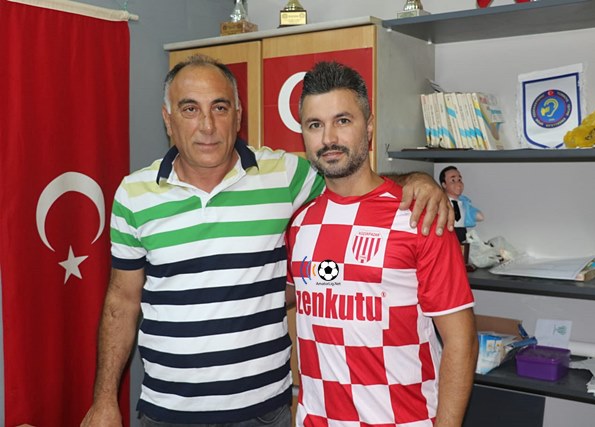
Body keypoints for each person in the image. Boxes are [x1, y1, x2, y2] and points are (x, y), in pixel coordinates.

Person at [81, 54, 454, 426]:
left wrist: (417, 182)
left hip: (264, 411)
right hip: (167, 410)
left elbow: (351, 177)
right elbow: (121, 302)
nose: (207, 125)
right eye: (190, 109)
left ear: (238, 116)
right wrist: (104, 400)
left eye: (220, 107)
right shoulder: (134, 195)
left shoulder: (284, 175)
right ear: (168, 119)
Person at [286, 61, 478, 427]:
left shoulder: (419, 216)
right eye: (315, 125)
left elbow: (462, 341)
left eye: (343, 121)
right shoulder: (299, 223)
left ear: (369, 127)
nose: (329, 138)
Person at [439, 166, 484, 244]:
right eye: (453, 180)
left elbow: (474, 214)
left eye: (459, 180)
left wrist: (475, 214)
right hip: (446, 232)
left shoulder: (465, 203)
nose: (458, 183)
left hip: (462, 232)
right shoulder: (441, 202)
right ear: (444, 185)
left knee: (461, 248)